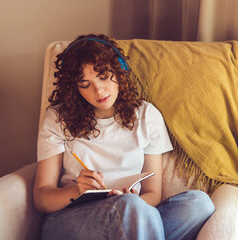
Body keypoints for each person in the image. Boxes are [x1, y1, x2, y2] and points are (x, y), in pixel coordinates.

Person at [33, 34, 215, 240]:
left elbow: (153, 194)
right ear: (75, 89)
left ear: (119, 71)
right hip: (71, 221)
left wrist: (133, 206)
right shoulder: (58, 119)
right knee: (129, 208)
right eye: (85, 84)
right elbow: (42, 197)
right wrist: (77, 190)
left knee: (199, 204)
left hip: (132, 212)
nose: (99, 90)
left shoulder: (147, 116)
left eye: (103, 77)